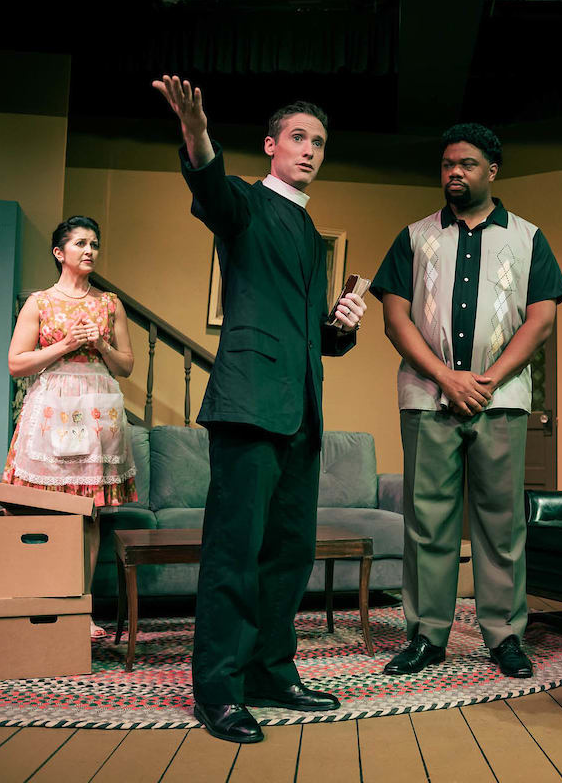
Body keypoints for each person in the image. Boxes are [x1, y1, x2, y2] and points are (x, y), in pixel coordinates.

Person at [153, 75, 367, 744]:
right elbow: (208, 186)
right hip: (247, 406)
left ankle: (272, 670)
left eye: (319, 143)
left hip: (302, 411)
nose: (309, 150)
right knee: (233, 554)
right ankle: (218, 689)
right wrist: (195, 132)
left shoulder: (306, 231)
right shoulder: (244, 202)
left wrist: (340, 327)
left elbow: (308, 333)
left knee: (288, 555)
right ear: (272, 145)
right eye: (298, 138)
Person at [371, 123, 562, 679]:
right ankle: (426, 636)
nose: (454, 172)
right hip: (426, 398)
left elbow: (542, 317)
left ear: (492, 171)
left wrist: (484, 380)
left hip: (500, 400)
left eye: (467, 164)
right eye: (446, 164)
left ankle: (504, 636)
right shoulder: (414, 236)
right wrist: (445, 378)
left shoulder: (529, 238)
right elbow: (394, 316)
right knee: (428, 522)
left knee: (501, 524)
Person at [3, 216, 138, 638]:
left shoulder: (109, 302)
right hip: (51, 411)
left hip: (96, 412)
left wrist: (98, 343)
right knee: (50, 509)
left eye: (95, 243)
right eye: (80, 243)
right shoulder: (40, 302)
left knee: (90, 513)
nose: (90, 250)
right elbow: (15, 363)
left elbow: (127, 366)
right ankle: (47, 605)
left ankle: (82, 611)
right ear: (60, 252)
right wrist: (65, 344)